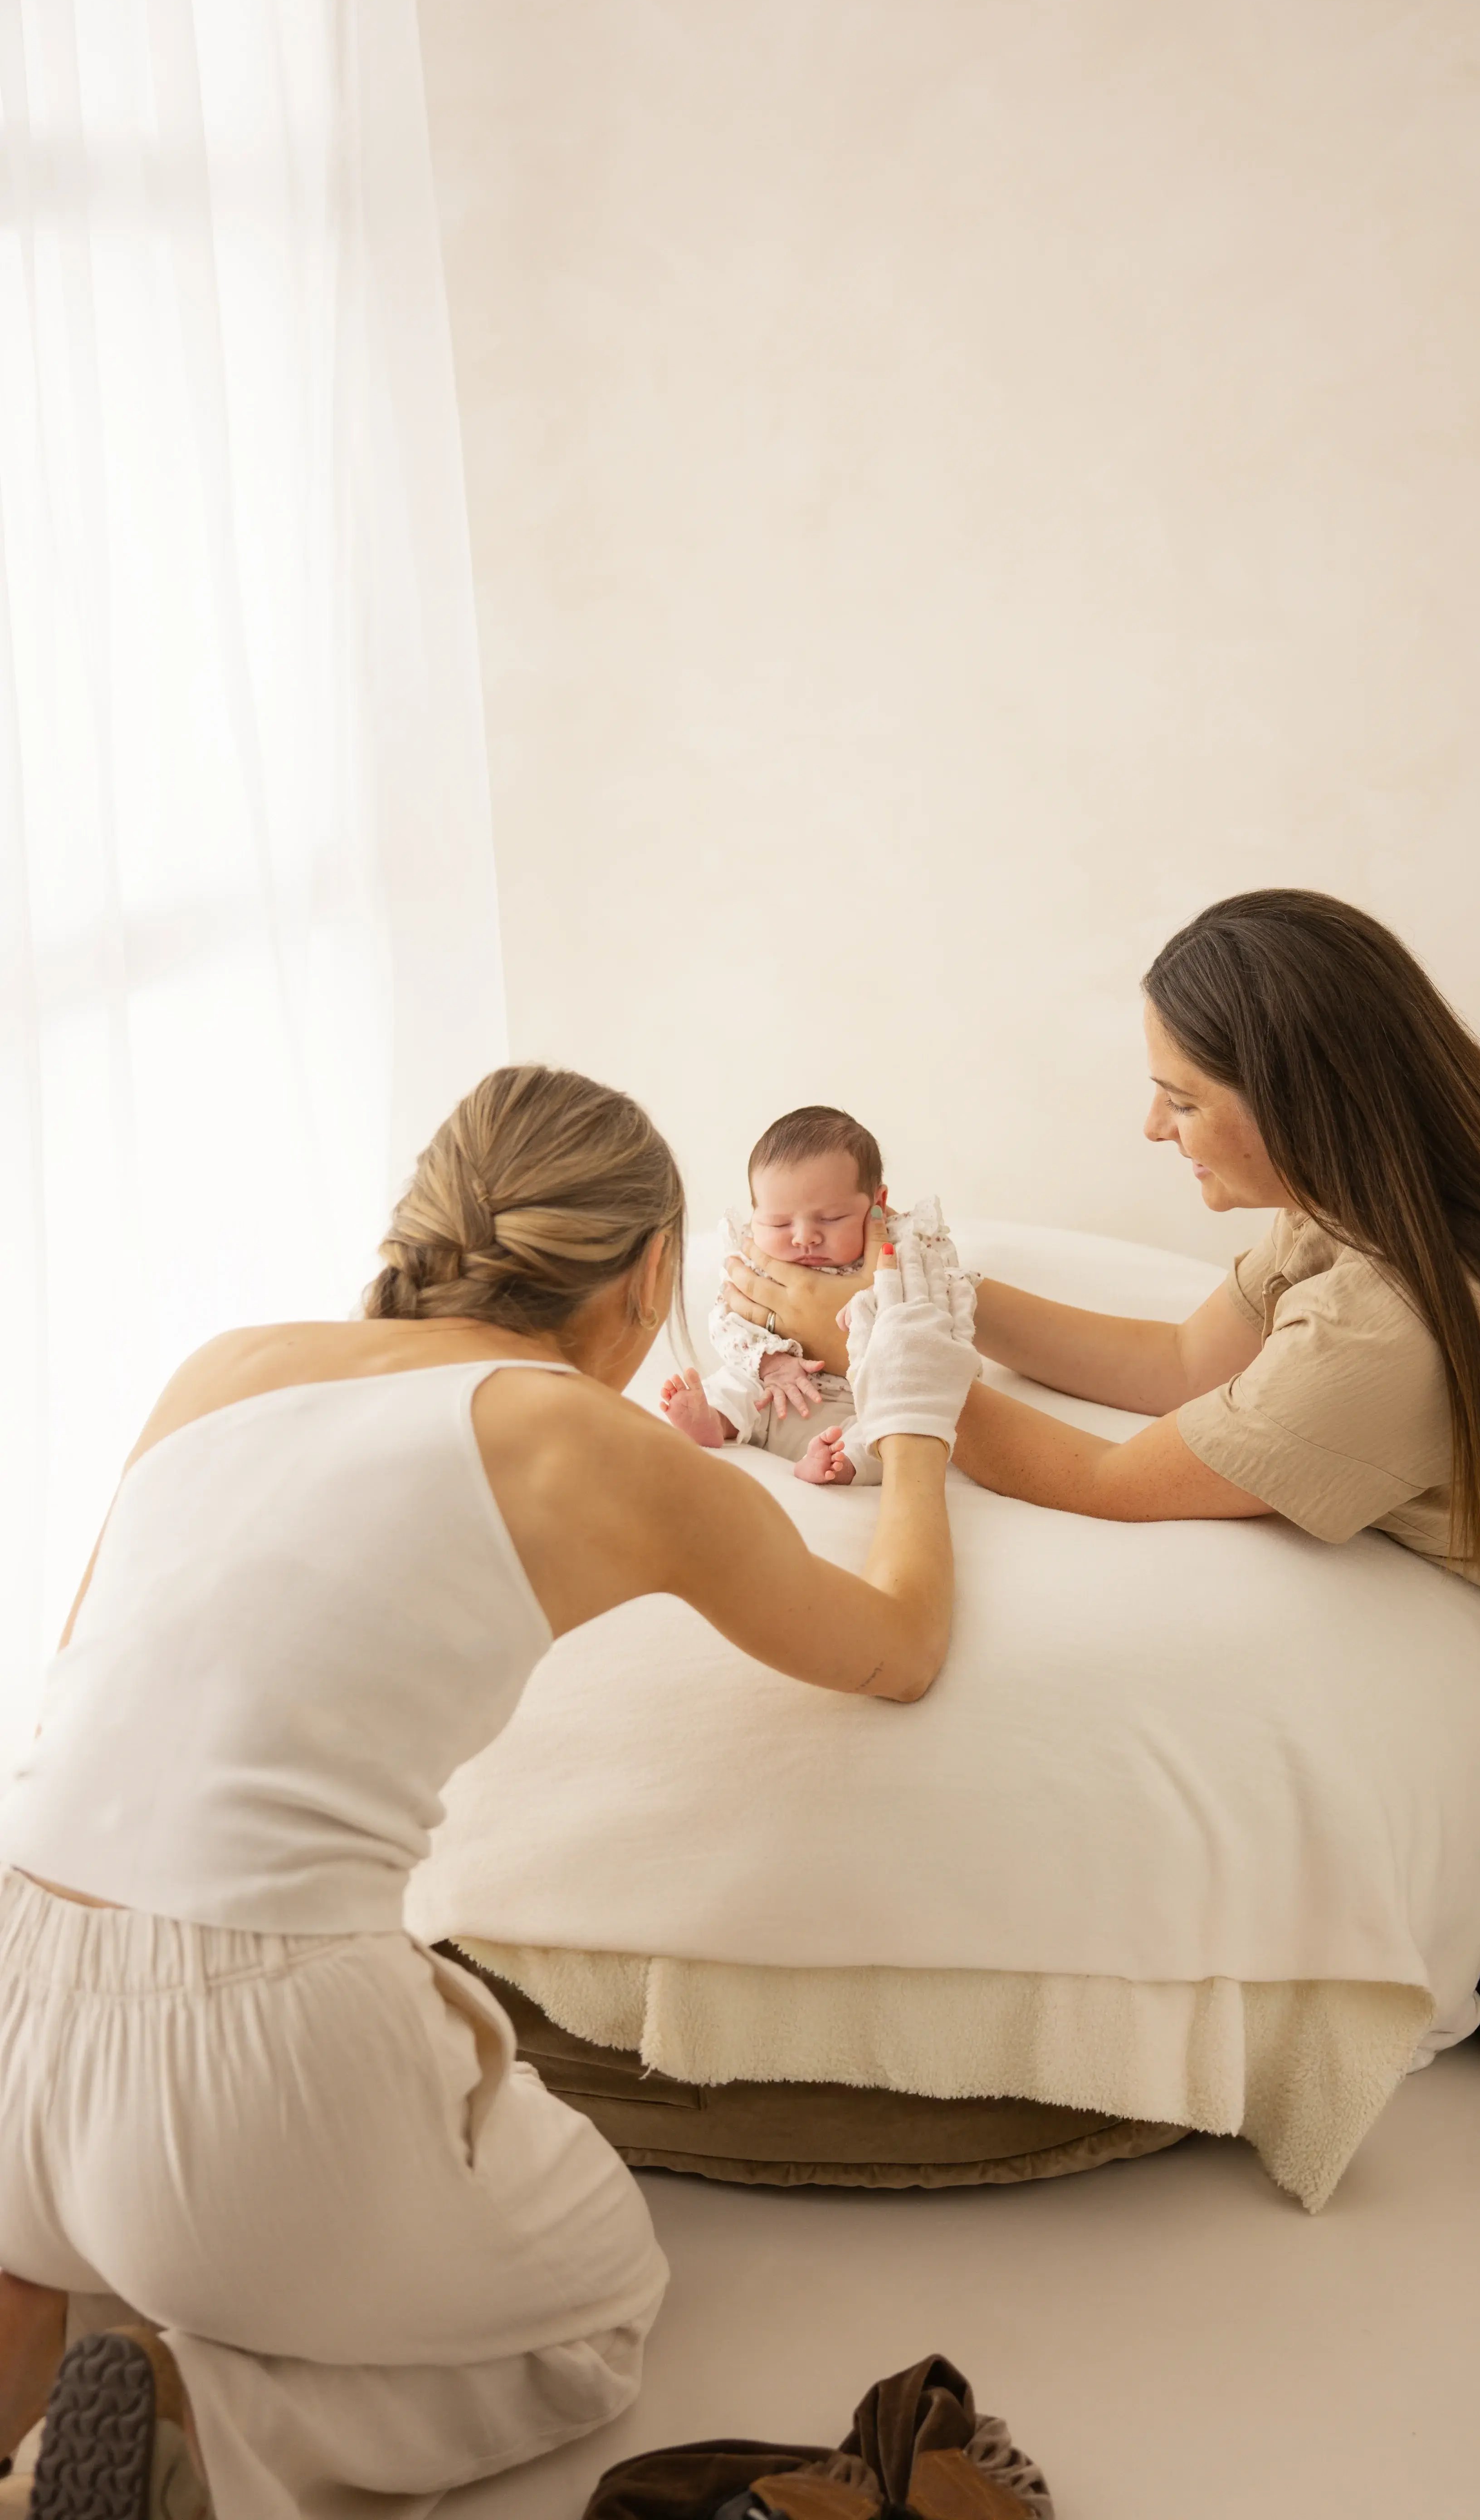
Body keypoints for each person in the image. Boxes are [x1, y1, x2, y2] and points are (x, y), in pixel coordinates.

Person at [0, 1065, 978, 2520]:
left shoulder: (221, 1364)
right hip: (245, 2047)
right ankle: (199, 2428)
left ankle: (25, 2438)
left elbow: (85, 1689)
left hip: (11, 1973)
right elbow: (895, 1644)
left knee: (47, 2257)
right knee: (590, 2311)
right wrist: (916, 1413)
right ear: (654, 1272)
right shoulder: (589, 1444)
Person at [724, 891, 1480, 2078]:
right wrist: (925, 1289)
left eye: (1183, 1098)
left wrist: (878, 1358)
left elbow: (1104, 1476)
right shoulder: (1433, 1162)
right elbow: (1182, 1363)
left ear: (1294, 1097)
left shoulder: (1388, 1323)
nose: (1152, 1126)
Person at [662, 1104, 957, 1488]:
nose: (804, 1237)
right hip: (774, 1392)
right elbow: (726, 1320)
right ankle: (714, 1419)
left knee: (892, 1431)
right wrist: (770, 1361)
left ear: (877, 1205)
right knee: (734, 1383)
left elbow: (936, 1316)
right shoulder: (755, 1263)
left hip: (857, 1401)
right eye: (779, 1223)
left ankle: (836, 1462)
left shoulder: (905, 1253)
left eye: (831, 1219)